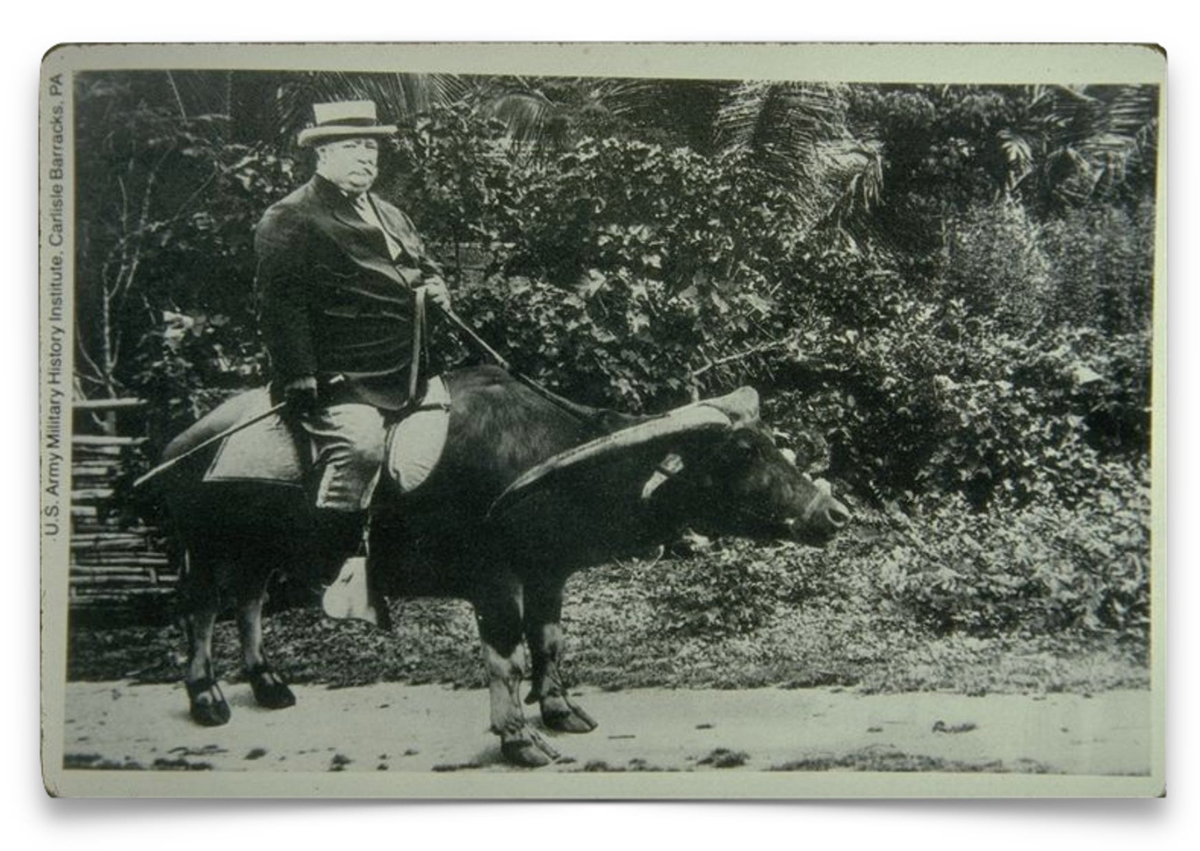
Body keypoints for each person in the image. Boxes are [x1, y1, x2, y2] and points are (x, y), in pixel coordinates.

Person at [254, 100, 451, 575]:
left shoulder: (391, 214)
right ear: (322, 154)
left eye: (372, 147)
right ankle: (327, 562)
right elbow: (280, 303)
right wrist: (299, 374)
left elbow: (424, 266)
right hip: (341, 375)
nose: (366, 156)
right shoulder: (293, 216)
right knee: (360, 449)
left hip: (409, 368)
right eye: (353, 146)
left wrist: (437, 286)